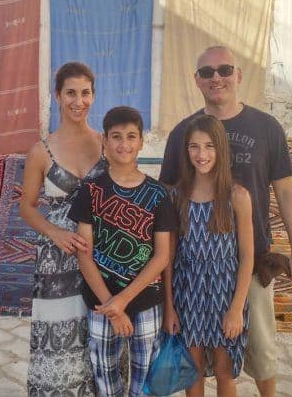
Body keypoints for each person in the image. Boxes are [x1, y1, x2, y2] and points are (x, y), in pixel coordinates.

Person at [160, 46, 292, 397]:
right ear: (197, 80)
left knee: (261, 352)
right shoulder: (182, 133)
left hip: (249, 263)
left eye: (225, 70)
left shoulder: (266, 127)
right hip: (192, 274)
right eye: (207, 72)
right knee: (196, 362)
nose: (217, 78)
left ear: (238, 75)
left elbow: (286, 191)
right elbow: (165, 200)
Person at [67, 106, 178, 397]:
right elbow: (84, 254)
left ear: (141, 142)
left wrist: (123, 300)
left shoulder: (158, 194)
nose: (123, 144)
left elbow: (162, 256)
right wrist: (111, 306)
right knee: (105, 376)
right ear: (104, 141)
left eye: (131, 137)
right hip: (100, 302)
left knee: (145, 380)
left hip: (146, 300)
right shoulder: (91, 191)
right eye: (116, 136)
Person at [20, 62, 107, 396]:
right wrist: (54, 233)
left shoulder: (107, 143)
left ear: (93, 96)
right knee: (59, 342)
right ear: (57, 96)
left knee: (99, 337)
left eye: (85, 93)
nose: (78, 101)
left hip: (101, 256)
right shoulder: (41, 151)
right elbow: (27, 207)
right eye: (70, 93)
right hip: (57, 261)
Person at [162, 115, 254, 397]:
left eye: (209, 146)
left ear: (221, 149)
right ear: (186, 150)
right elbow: (168, 258)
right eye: (194, 146)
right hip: (187, 292)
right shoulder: (177, 196)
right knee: (193, 370)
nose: (201, 154)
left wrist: (236, 308)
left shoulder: (237, 196)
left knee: (226, 371)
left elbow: (247, 256)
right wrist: (169, 306)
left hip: (225, 293)